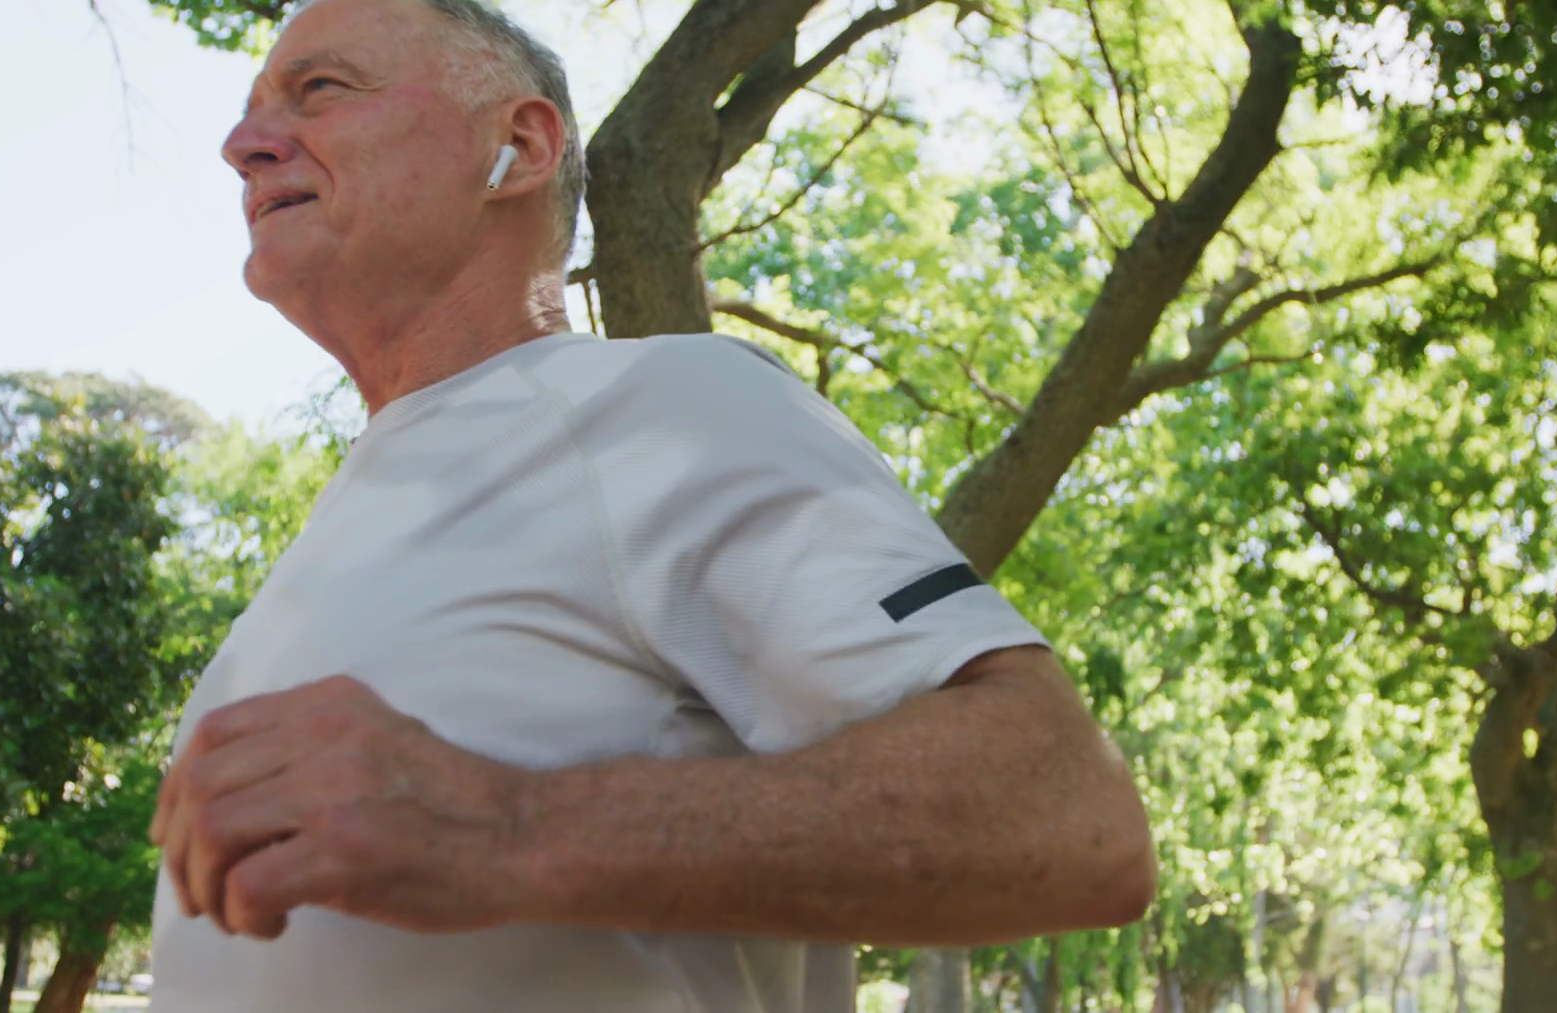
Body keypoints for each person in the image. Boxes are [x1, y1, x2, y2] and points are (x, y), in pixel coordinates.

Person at [146, 0, 1157, 1010]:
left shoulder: (670, 403)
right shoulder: (346, 518)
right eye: (251, 110)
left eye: (320, 90)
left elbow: (1065, 812)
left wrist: (507, 824)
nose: (244, 144)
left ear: (519, 146)